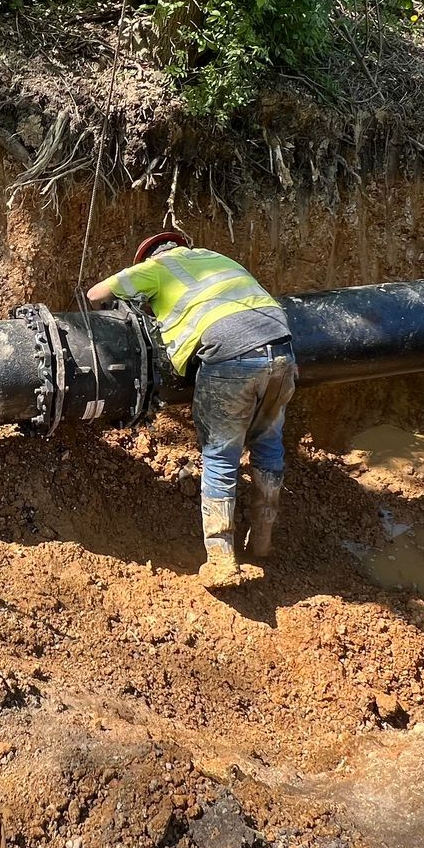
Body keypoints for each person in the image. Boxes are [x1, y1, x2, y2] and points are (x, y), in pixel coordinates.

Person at [87, 230, 295, 587]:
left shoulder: (156, 268)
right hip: (283, 352)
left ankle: (221, 559)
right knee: (268, 443)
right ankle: (262, 541)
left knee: (220, 455)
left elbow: (96, 294)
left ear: (151, 257)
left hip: (232, 357)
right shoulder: (218, 259)